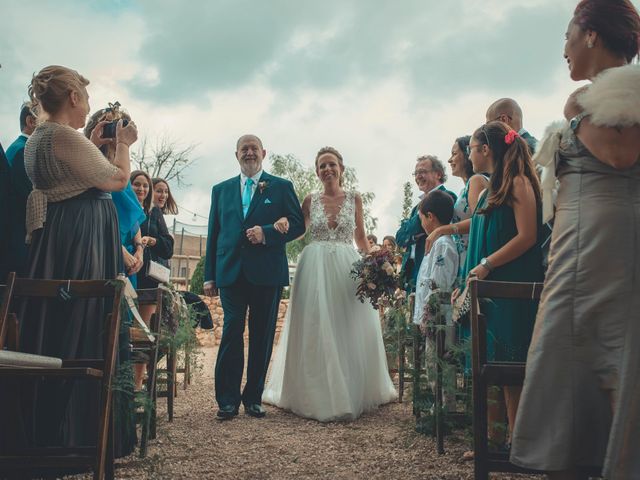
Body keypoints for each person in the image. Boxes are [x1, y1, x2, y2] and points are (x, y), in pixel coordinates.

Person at [511, 1, 640, 478]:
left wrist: (578, 112)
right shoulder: (596, 97)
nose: (563, 48)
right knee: (574, 372)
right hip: (581, 251)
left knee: (611, 361)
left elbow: (621, 153)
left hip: (607, 253)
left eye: (568, 35)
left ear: (590, 34)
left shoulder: (627, 93)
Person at [14, 65, 138, 457]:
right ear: (72, 97)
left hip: (61, 239)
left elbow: (72, 169)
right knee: (83, 325)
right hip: (82, 243)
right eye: (84, 98)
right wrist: (125, 144)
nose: (87, 106)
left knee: (59, 326)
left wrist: (90, 139)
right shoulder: (62, 136)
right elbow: (116, 180)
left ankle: (51, 429)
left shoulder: (41, 136)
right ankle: (79, 435)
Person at [263, 146, 397, 421]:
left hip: (347, 265)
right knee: (316, 324)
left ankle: (351, 387)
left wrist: (378, 262)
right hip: (314, 265)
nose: (327, 169)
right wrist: (278, 228)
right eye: (322, 166)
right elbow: (299, 231)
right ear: (317, 172)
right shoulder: (310, 199)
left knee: (346, 323)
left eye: (331, 164)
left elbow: (360, 237)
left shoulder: (355, 198)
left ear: (341, 169)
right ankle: (316, 392)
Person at [203, 134, 305, 420]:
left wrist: (268, 233)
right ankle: (227, 400)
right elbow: (214, 233)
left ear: (263, 153)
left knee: (261, 336)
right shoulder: (220, 190)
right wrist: (209, 275)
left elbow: (297, 225)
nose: (249, 153)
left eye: (254, 148)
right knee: (232, 330)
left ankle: (253, 399)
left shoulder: (282, 187)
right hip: (230, 272)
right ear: (236, 154)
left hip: (267, 273)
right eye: (244, 149)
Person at [456, 121, 544, 445]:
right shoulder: (491, 186)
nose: (469, 155)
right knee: (488, 367)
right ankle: (492, 441)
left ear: (486, 149)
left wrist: (488, 264)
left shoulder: (518, 182)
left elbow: (528, 236)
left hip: (509, 287)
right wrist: (466, 282)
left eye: (472, 148)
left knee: (509, 369)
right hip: (486, 287)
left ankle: (518, 443)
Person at [84, 104, 146, 287]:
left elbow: (133, 219)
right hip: (103, 250)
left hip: (129, 256)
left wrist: (139, 250)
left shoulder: (123, 172)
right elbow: (93, 219)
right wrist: (119, 250)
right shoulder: (93, 168)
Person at [396, 155, 457, 291]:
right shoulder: (415, 208)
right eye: (416, 173)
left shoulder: (448, 197)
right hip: (412, 272)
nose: (418, 176)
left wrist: (412, 231)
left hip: (433, 266)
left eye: (423, 171)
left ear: (438, 174)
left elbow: (414, 229)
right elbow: (400, 238)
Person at [444, 135, 489, 282]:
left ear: (467, 153)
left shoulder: (476, 181)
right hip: (463, 258)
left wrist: (442, 230)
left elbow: (479, 221)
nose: (450, 160)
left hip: (475, 256)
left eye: (454, 153)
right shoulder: (463, 190)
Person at [5, 102, 37, 276]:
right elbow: (28, 200)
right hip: (20, 244)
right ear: (31, 121)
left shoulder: (17, 148)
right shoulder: (23, 151)